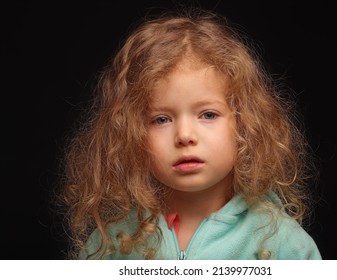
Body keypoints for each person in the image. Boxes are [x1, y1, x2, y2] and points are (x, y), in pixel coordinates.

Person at [59, 7, 321, 260]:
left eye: (208, 115)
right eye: (161, 119)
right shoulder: (113, 243)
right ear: (130, 136)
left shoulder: (280, 243)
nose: (184, 135)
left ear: (245, 125)